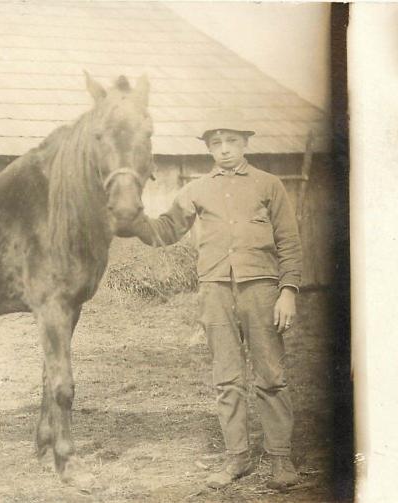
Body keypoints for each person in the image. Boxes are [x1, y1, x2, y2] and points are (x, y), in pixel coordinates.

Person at [129, 116, 302, 490]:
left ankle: (279, 459)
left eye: (232, 141)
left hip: (261, 290)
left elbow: (289, 242)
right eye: (217, 142)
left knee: (271, 375)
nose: (224, 148)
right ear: (208, 148)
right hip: (215, 290)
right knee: (227, 378)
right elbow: (165, 230)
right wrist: (131, 218)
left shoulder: (269, 185)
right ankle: (237, 458)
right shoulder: (196, 190)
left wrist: (288, 291)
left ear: (245, 144)